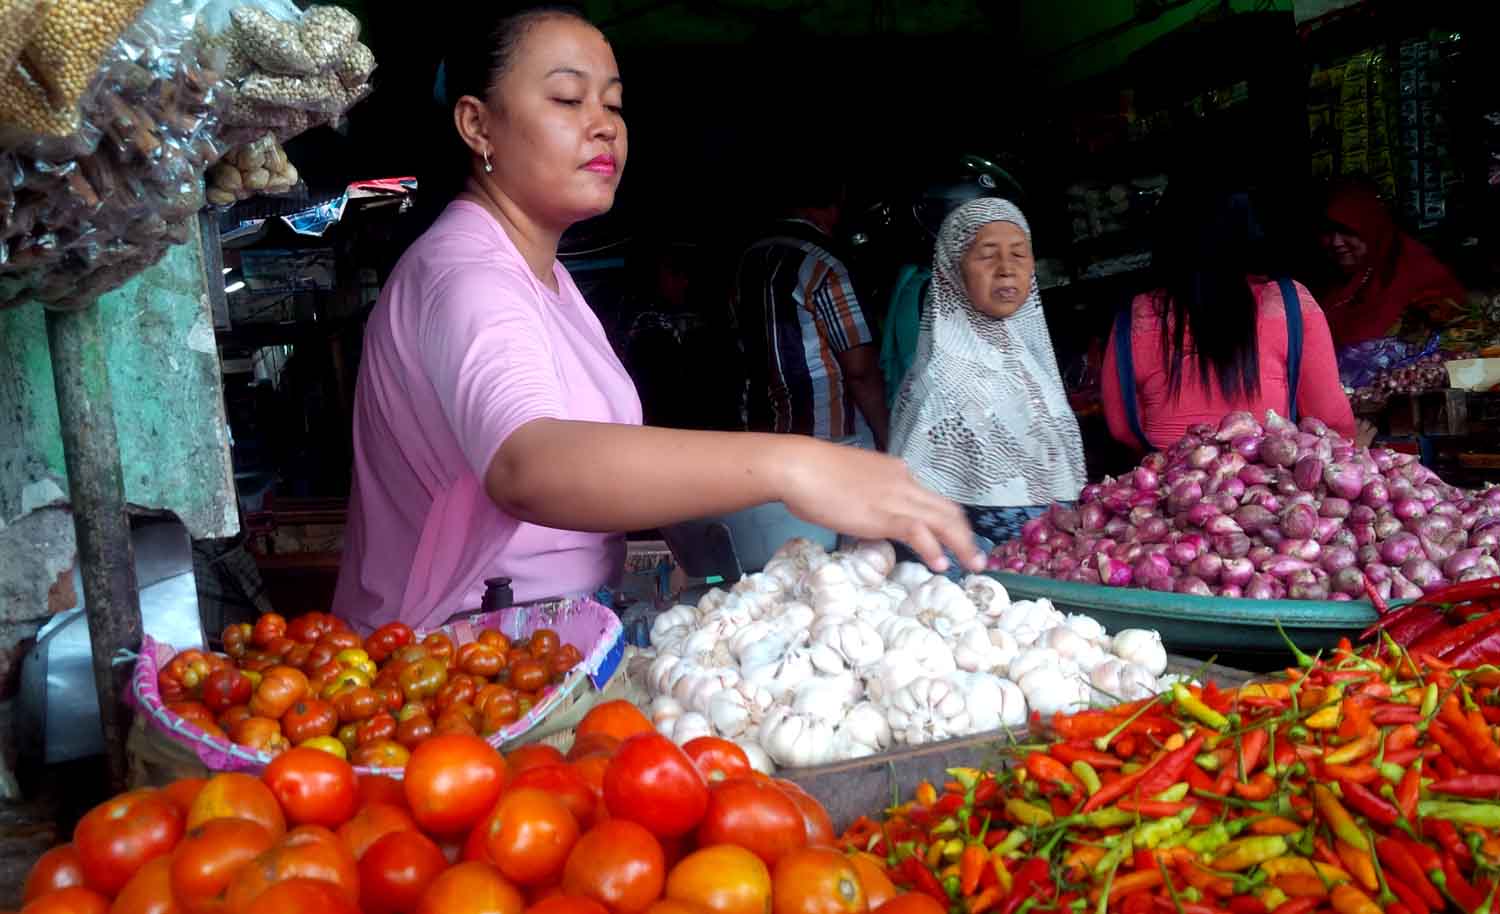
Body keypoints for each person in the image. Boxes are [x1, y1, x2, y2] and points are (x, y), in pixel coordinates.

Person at [333, 5, 981, 631]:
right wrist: (797, 466)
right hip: (458, 673)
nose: (604, 125)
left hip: (549, 642)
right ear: (477, 125)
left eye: (612, 104)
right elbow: (528, 466)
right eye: (567, 99)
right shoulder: (467, 276)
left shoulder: (543, 276)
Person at [888, 199, 1087, 545]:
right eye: (987, 255)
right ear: (953, 268)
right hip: (992, 581)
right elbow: (915, 512)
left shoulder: (1029, 359)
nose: (1007, 268)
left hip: (1057, 561)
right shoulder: (942, 381)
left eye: (1019, 254)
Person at [1103, 182, 1356, 453]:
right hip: (1265, 486)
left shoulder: (1137, 314)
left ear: (1165, 239)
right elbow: (1327, 419)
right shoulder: (1288, 302)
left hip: (1170, 482)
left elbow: (1121, 427)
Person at [734, 163, 889, 450]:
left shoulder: (749, 260)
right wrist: (888, 439)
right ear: (837, 203)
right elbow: (860, 370)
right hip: (832, 438)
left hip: (763, 436)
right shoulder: (823, 264)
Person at [1313, 180, 1466, 347]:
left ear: (1371, 229)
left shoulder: (1413, 270)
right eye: (1328, 232)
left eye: (1347, 231)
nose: (1336, 242)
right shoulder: (1332, 279)